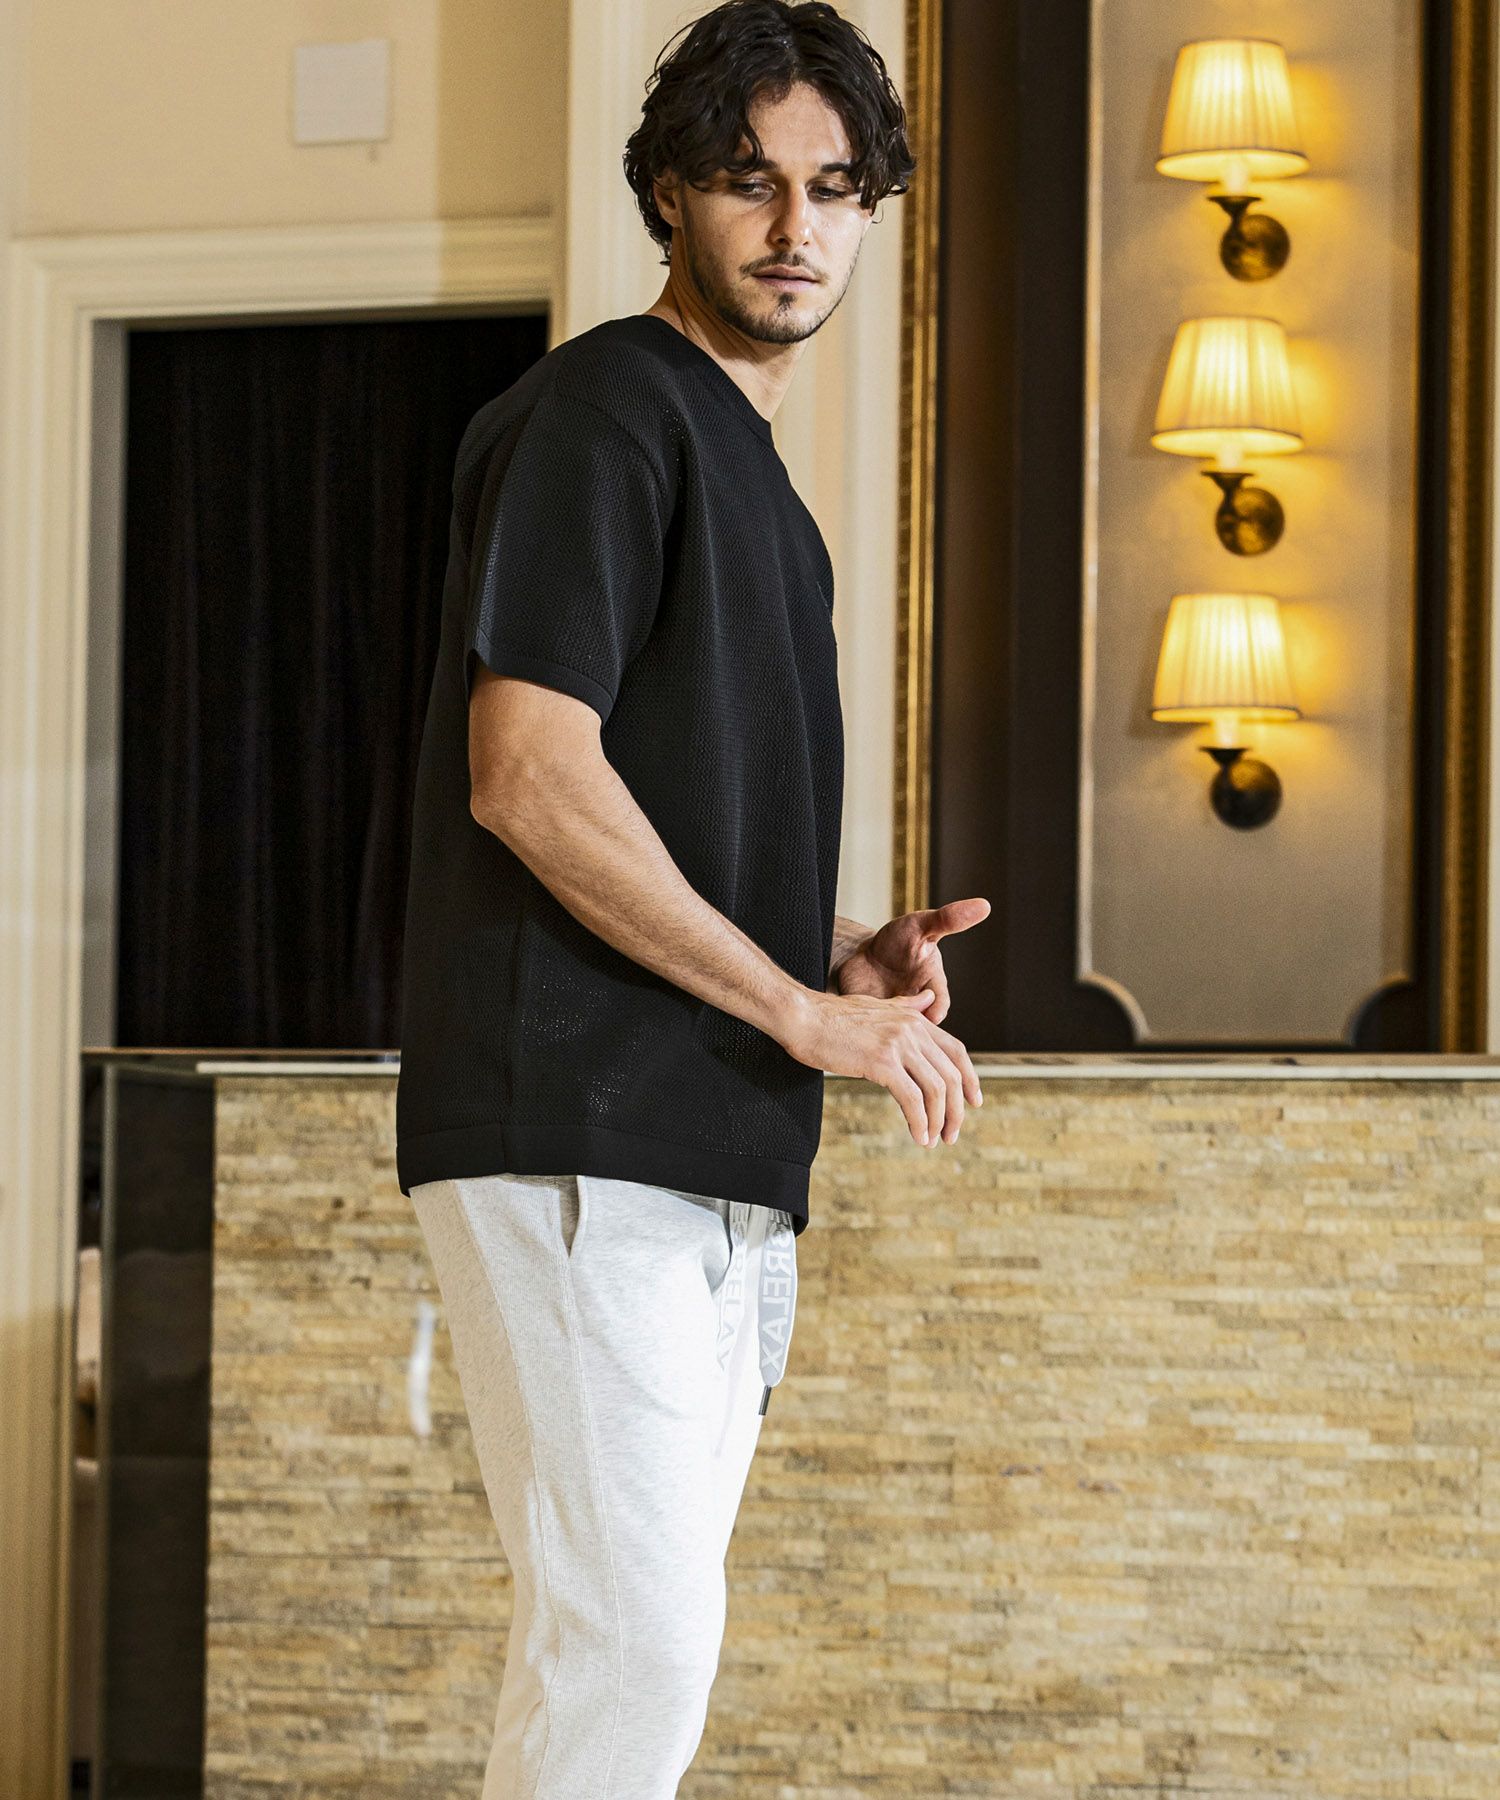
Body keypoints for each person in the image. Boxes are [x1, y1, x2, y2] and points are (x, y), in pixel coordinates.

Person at [395, 3, 990, 1792]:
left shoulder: (763, 492)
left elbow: (654, 810)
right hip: (582, 1130)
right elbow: (527, 774)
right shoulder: (605, 410)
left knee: (623, 1660)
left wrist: (834, 948)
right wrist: (798, 1011)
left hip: (708, 1148)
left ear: (872, 210)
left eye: (835, 187)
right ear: (669, 195)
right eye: (748, 180)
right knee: (631, 1654)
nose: (797, 226)